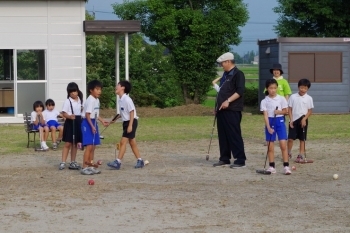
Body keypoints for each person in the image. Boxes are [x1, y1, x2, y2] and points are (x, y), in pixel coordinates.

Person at [212, 52, 247, 168]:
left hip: (232, 109)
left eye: (222, 63)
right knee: (223, 135)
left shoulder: (238, 74)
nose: (221, 65)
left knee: (234, 134)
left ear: (228, 61)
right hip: (221, 110)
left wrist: (228, 101)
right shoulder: (225, 75)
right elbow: (221, 92)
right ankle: (224, 158)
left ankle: (240, 159)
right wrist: (216, 107)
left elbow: (240, 91)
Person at [107, 80, 144, 170]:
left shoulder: (127, 99)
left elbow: (132, 112)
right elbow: (122, 112)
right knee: (132, 142)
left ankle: (118, 162)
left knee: (123, 142)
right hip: (126, 122)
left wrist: (130, 125)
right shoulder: (121, 100)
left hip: (131, 121)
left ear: (123, 88)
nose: (116, 87)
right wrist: (114, 120)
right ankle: (140, 160)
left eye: (118, 85)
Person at [260, 79, 291, 175]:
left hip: (280, 121)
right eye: (271, 88)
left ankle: (286, 166)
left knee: (283, 145)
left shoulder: (281, 98)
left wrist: (279, 112)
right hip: (270, 121)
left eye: (274, 88)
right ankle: (272, 166)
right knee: (270, 146)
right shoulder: (264, 101)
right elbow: (265, 115)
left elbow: (286, 111)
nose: (273, 90)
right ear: (267, 89)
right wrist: (268, 127)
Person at [80, 80, 109, 175]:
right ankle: (84, 167)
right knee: (89, 146)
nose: (99, 91)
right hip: (87, 123)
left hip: (93, 122)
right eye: (97, 89)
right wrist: (92, 126)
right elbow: (87, 115)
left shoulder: (97, 100)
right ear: (91, 90)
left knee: (93, 146)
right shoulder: (90, 100)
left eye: (100, 89)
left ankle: (91, 166)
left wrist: (102, 120)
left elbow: (95, 114)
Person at [264, 63, 292, 146]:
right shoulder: (270, 81)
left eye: (277, 70)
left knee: (281, 121)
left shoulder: (284, 81)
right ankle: (269, 138)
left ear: (280, 71)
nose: (276, 72)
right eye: (274, 70)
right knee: (269, 120)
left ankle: (282, 137)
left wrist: (285, 106)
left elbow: (287, 94)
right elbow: (265, 93)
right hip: (270, 105)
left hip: (280, 106)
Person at [287, 78, 314, 162]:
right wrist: (291, 119)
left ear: (307, 89)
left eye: (305, 88)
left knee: (302, 139)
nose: (303, 90)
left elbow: (310, 111)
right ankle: (288, 153)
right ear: (298, 87)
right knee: (290, 138)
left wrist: (304, 119)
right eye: (302, 87)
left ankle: (301, 155)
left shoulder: (309, 98)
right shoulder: (293, 97)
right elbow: (290, 109)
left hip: (303, 120)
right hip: (294, 120)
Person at [59, 82, 84, 170]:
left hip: (78, 122)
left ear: (77, 91)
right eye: (71, 92)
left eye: (75, 91)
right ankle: (63, 162)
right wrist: (69, 116)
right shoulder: (67, 101)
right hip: (70, 122)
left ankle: (73, 161)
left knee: (75, 143)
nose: (73, 93)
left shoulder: (80, 100)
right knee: (68, 143)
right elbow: (64, 113)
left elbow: (82, 110)